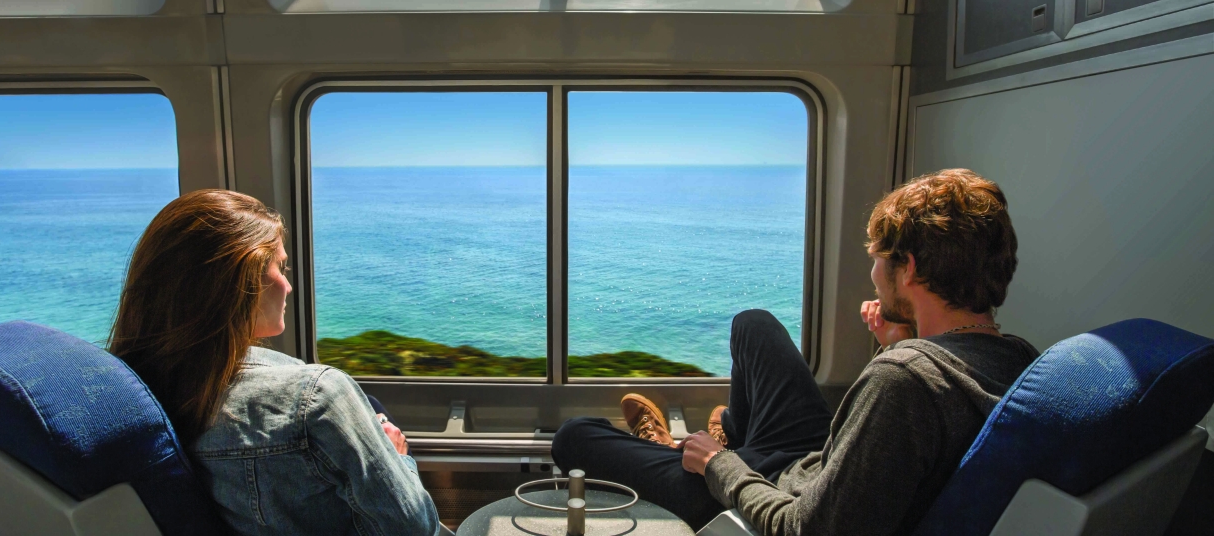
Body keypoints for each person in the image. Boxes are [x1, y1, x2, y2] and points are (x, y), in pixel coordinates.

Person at [552, 168, 1039, 535]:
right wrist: (902, 344)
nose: (872, 275)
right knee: (754, 326)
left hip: (769, 496)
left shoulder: (903, 380)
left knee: (575, 437)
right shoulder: (1017, 358)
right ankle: (733, 438)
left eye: (877, 261)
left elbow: (806, 528)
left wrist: (719, 467)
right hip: (817, 462)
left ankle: (685, 450)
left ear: (908, 269)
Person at [108, 189, 441, 536]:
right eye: (280, 267)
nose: (289, 285)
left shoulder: (135, 387)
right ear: (241, 281)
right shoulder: (318, 398)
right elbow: (415, 528)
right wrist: (397, 456)